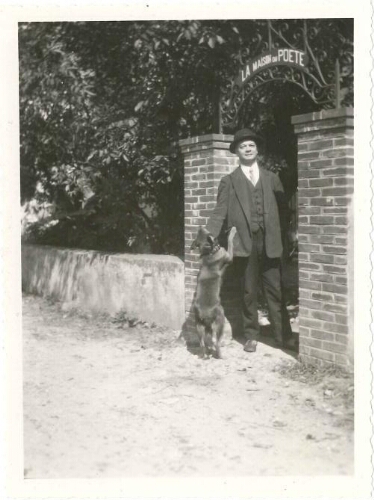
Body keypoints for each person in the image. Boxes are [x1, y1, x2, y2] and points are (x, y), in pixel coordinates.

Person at [205, 128, 297, 353]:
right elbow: (220, 212)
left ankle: (283, 336)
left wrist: (286, 235)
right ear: (236, 151)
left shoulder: (272, 178)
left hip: (271, 242)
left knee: (275, 289)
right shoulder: (229, 181)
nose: (247, 149)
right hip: (245, 243)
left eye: (251, 145)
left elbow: (285, 210)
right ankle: (251, 336)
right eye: (243, 146)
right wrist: (208, 235)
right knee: (249, 291)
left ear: (257, 150)